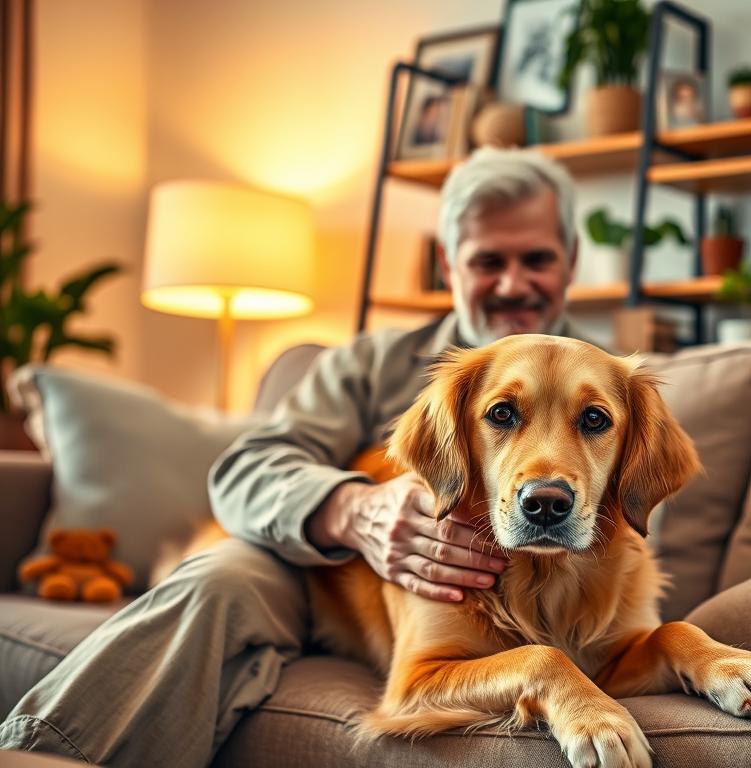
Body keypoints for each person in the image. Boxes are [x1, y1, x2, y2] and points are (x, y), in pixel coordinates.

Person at [0, 146, 595, 767]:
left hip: (494, 617)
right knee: (218, 580)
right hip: (311, 573)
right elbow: (245, 468)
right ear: (448, 263)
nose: (511, 283)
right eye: (487, 261)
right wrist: (352, 509)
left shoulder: (615, 390)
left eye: (536, 259)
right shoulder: (373, 365)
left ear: (571, 261)